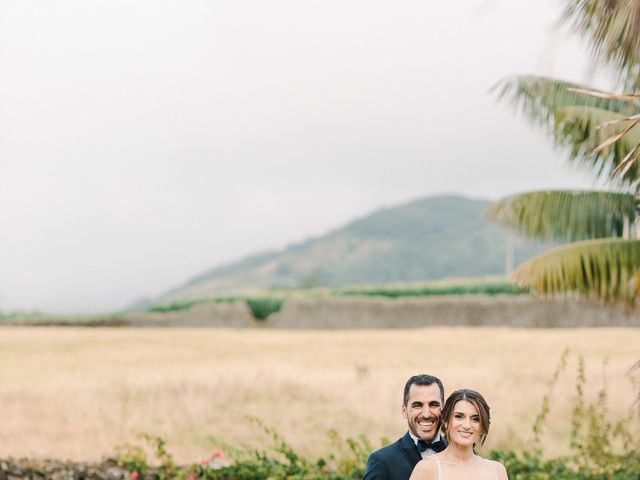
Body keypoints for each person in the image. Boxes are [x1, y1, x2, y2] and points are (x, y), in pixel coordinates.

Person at [408, 389, 508, 480]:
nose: (467, 425)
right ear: (446, 421)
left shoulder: (497, 471)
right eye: (459, 416)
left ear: (482, 427)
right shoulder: (427, 469)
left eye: (475, 419)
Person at [363, 374, 447, 480]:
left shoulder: (462, 454)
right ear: (404, 411)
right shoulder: (382, 461)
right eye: (417, 405)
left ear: (444, 409)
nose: (426, 414)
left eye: (433, 404)